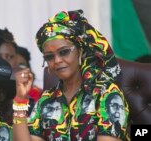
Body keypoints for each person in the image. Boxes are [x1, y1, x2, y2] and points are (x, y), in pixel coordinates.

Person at [12, 10, 130, 141]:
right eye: (49, 57)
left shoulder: (106, 94)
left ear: (80, 51)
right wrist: (20, 100)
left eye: (64, 52)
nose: (57, 61)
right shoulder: (46, 100)